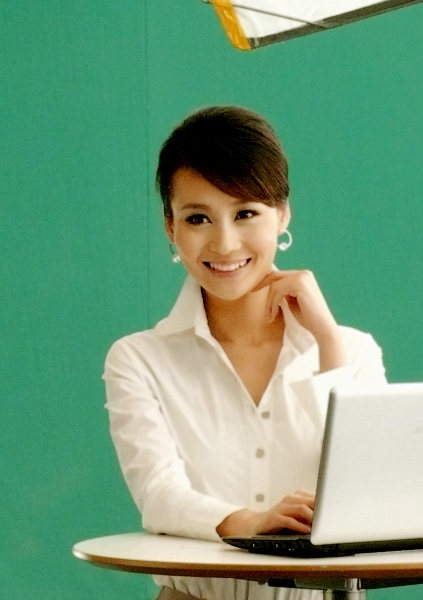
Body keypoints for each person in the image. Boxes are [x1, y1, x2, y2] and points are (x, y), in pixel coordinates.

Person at [103, 106, 386, 600]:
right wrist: (249, 522)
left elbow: (370, 496)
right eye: (198, 218)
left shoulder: (353, 351)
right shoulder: (138, 360)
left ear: (283, 214)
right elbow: (159, 496)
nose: (225, 242)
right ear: (170, 228)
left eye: (246, 213)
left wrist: (328, 344)